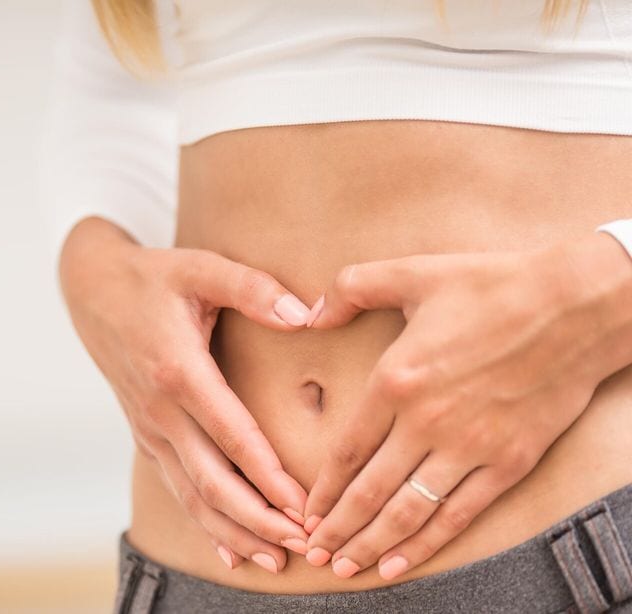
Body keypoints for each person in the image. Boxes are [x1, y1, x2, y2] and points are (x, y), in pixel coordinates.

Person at [40, 0, 632, 611]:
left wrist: (600, 291)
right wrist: (98, 277)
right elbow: (118, 87)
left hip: (571, 552)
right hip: (194, 579)